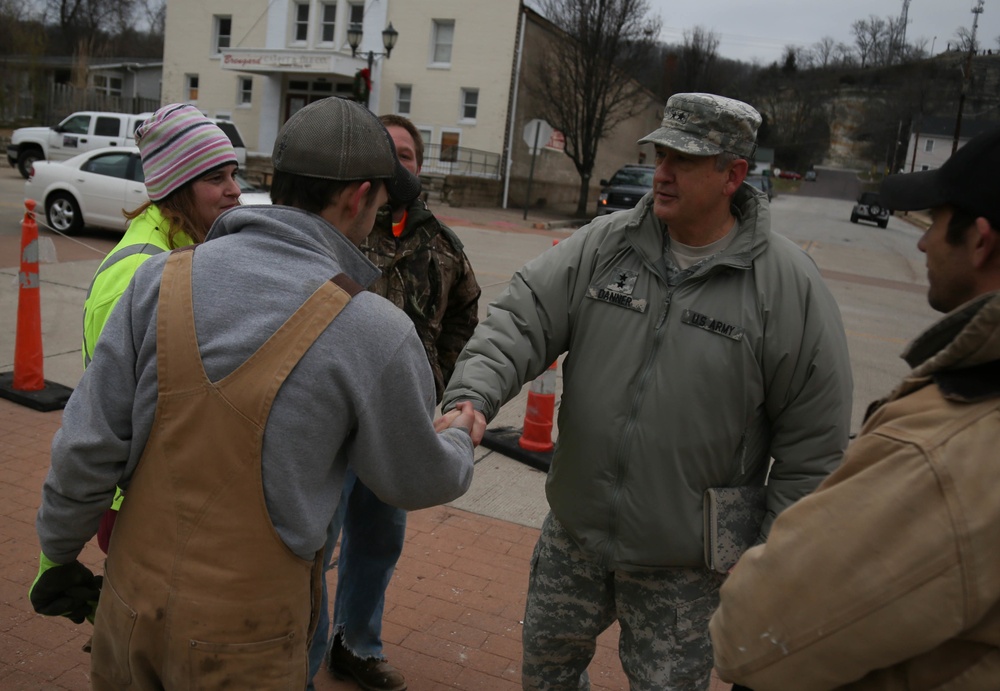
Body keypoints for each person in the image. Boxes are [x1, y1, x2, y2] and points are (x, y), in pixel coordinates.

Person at [29, 96, 481, 689]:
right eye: (380, 197)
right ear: (355, 198)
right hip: (248, 639)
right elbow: (416, 478)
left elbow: (85, 447)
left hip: (130, 611)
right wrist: (458, 441)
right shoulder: (374, 330)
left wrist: (59, 554)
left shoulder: (155, 282)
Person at [440, 92, 853, 689]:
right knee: (546, 672)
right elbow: (523, 317)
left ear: (732, 174)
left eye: (682, 161)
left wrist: (770, 567)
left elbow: (813, 452)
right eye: (660, 155)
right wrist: (473, 395)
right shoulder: (608, 244)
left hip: (685, 568)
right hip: (575, 536)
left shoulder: (787, 288)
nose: (661, 173)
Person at [709, 128, 1000, 688]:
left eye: (937, 220)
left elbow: (754, 632)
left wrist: (755, 578)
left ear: (981, 240)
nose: (922, 243)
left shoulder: (949, 445)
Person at [309, 114, 481, 690]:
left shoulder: (441, 245)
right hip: (331, 421)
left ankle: (356, 644)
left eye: (406, 153)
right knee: (315, 543)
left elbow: (465, 314)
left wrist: (438, 380)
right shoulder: (337, 229)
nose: (397, 162)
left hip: (399, 421)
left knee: (379, 539)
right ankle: (301, 658)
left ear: (419, 165)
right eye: (387, 152)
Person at [81, 102, 243, 554]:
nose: (235, 191)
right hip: (140, 502)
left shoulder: (193, 248)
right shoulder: (137, 274)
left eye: (233, 174)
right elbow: (107, 413)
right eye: (216, 179)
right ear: (175, 189)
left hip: (179, 492)